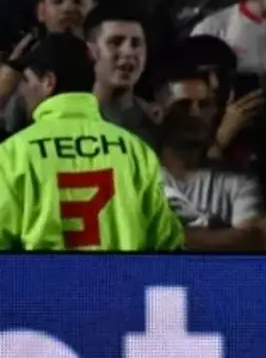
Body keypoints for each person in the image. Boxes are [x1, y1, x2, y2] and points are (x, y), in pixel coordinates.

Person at [0, 34, 183, 251]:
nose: (23, 91)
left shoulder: (13, 153)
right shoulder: (134, 149)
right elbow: (166, 240)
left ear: (48, 81)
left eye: (27, 81)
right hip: (119, 282)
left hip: (44, 284)